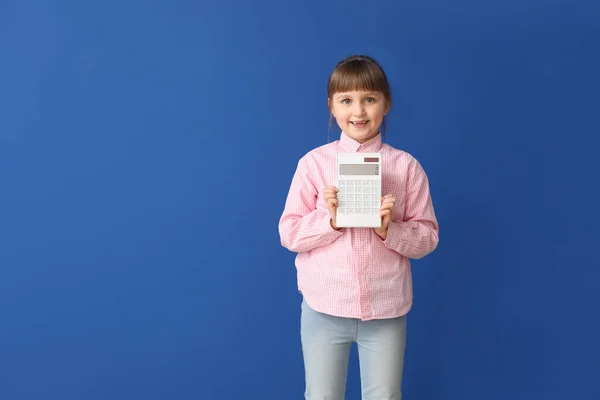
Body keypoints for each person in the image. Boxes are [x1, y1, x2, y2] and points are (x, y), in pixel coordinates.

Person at [278, 54, 439, 400]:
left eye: (369, 99)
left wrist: (390, 230)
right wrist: (330, 221)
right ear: (331, 107)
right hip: (324, 307)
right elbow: (289, 232)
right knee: (321, 396)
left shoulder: (406, 167)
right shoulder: (314, 164)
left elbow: (428, 237)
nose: (359, 111)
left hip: (386, 310)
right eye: (347, 100)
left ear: (386, 104)